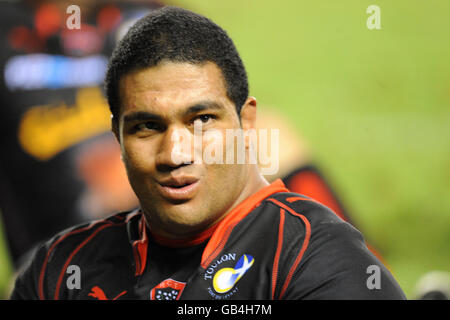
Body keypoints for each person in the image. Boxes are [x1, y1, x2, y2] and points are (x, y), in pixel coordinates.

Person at [10, 6, 406, 300]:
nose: (176, 151)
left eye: (200, 120)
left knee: (277, 134)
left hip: (146, 200)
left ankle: (368, 275)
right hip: (78, 210)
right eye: (146, 125)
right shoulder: (9, 29)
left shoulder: (137, 13)